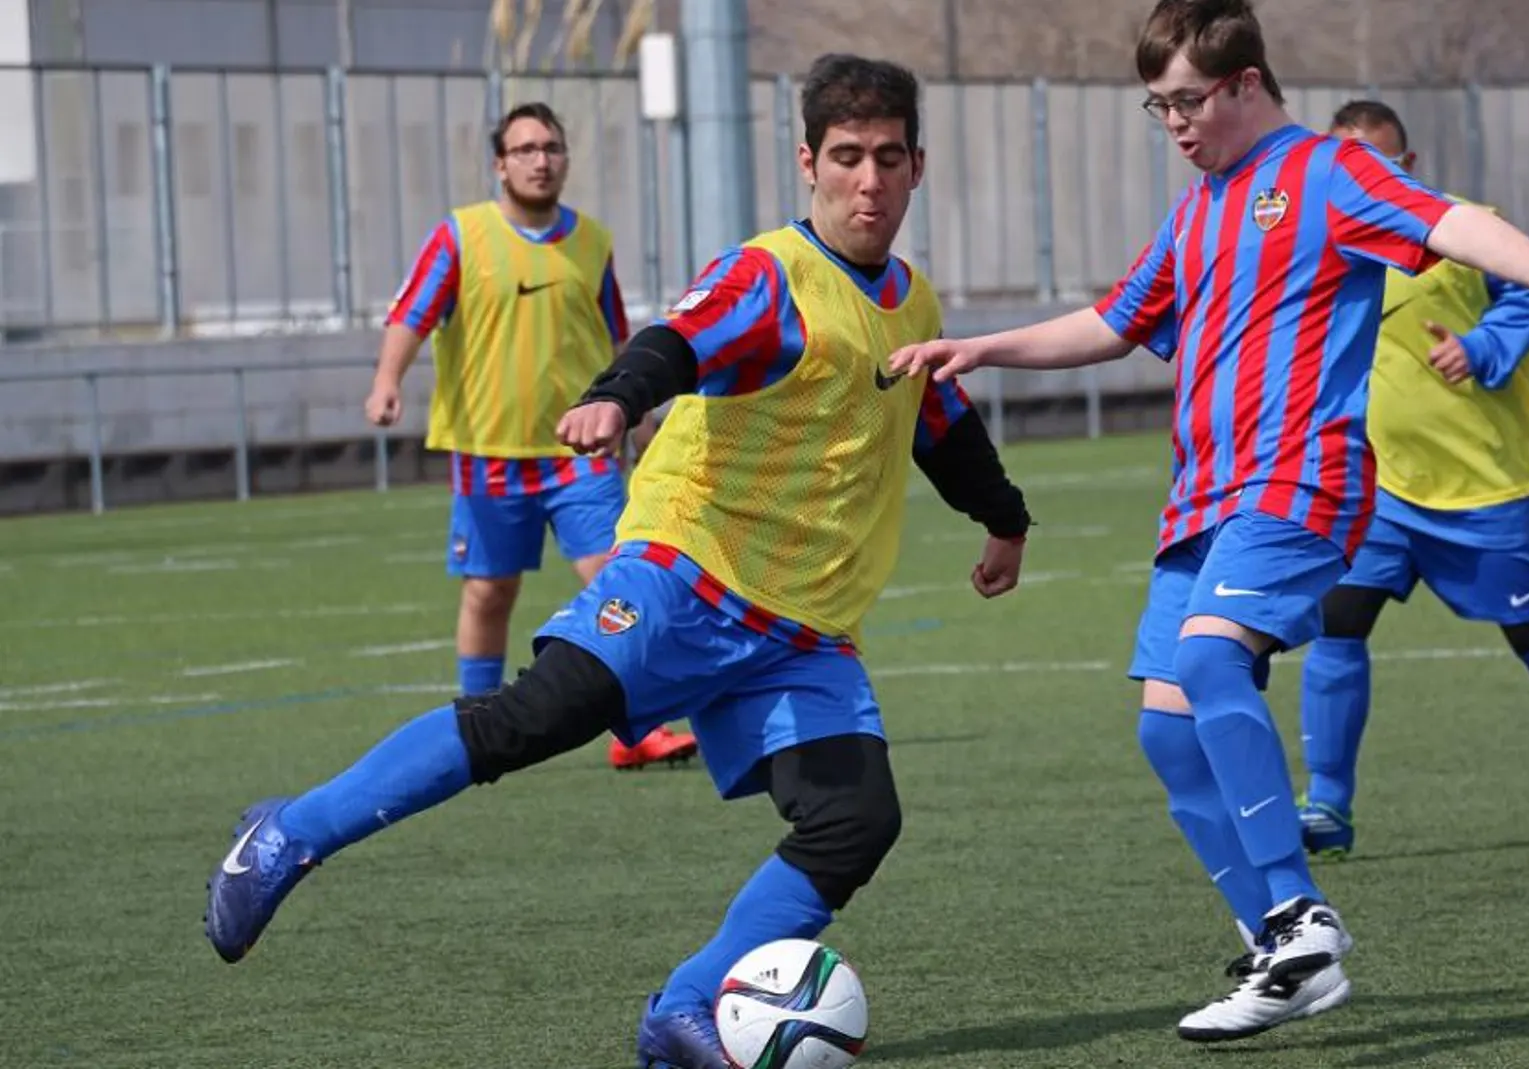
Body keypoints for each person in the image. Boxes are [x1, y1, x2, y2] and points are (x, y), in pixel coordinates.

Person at [208, 54, 1033, 1069]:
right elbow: (675, 340)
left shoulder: (909, 299)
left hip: (802, 633)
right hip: (686, 575)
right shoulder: (770, 273)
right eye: (848, 158)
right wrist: (617, 395)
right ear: (807, 162)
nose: (869, 182)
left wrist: (1004, 518)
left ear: (917, 168)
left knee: (855, 820)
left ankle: (681, 1010)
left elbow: (936, 419)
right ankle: (290, 831)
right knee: (532, 717)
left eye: (890, 160)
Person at [888, 0, 1529, 1044]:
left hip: (1297, 482)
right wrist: (981, 347)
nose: (1176, 124)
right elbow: (1112, 321)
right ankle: (1280, 950)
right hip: (1201, 501)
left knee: (1206, 663)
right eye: (1159, 107)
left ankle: (1296, 913)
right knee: (1164, 729)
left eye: (1188, 100)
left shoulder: (1326, 171)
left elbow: (1445, 222)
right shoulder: (1195, 211)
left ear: (1244, 83)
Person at [1294, 100, 1529, 859]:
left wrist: (1478, 346)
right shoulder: (1324, 236)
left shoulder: (1462, 226)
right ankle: (1328, 803)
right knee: (1338, 621)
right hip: (1376, 483)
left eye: (1382, 163)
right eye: (1349, 164)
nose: (1366, 176)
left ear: (1411, 166)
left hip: (1480, 483)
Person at [367, 101, 696, 772]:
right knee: (491, 591)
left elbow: (616, 338)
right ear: (500, 164)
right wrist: (386, 380)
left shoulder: (593, 242)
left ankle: (638, 728)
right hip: (490, 453)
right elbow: (411, 314)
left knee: (618, 579)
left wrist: (639, 411)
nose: (540, 160)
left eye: (551, 147)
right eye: (525, 149)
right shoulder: (461, 236)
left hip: (582, 450)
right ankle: (476, 723)